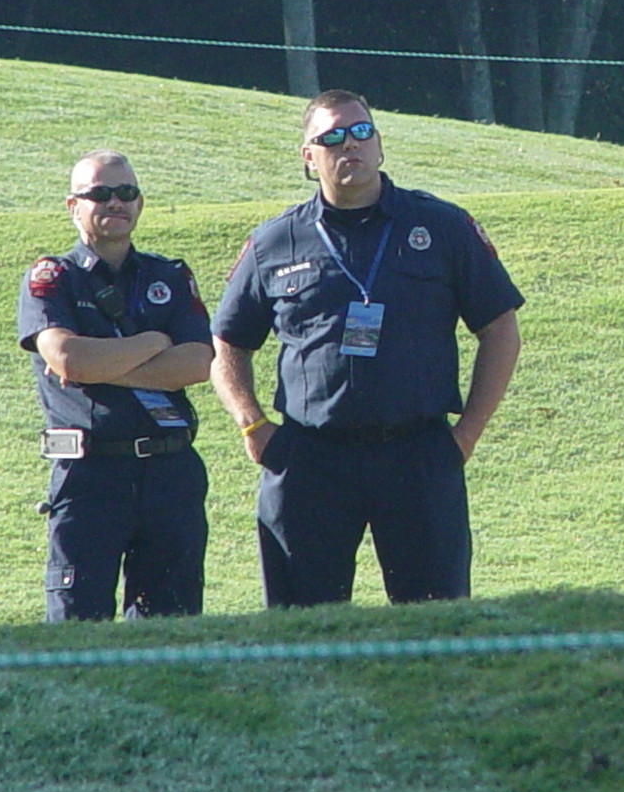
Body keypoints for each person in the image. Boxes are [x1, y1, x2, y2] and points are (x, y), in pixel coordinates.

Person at [210, 93, 523, 608]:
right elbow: (227, 343)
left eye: (360, 132)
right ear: (309, 157)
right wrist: (252, 424)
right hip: (309, 461)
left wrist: (466, 434)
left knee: (434, 625)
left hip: (417, 455)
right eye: (331, 137)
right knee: (302, 628)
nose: (348, 145)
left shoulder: (441, 227)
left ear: (379, 145)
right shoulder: (275, 241)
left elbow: (500, 328)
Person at [18, 153, 213, 620]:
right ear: (73, 205)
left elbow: (198, 362)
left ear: (140, 203)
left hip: (169, 471)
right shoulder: (53, 278)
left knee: (172, 626)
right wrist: (153, 342)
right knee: (77, 627)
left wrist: (99, 365)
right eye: (100, 194)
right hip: (90, 474)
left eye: (126, 193)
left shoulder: (168, 276)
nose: (115, 203)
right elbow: (66, 357)